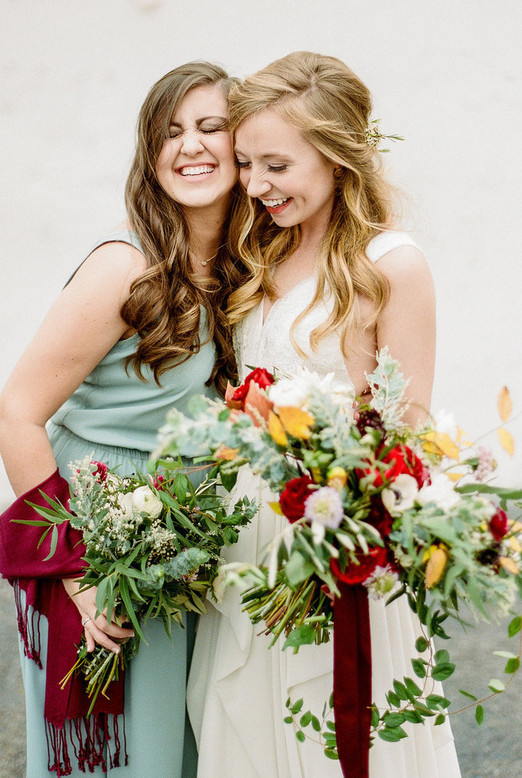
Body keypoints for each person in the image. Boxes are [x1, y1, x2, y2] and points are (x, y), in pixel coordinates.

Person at [187, 52, 462, 777]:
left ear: (338, 157)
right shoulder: (255, 253)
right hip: (247, 540)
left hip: (335, 547)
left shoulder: (390, 264)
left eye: (276, 165)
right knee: (240, 723)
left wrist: (345, 505)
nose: (255, 185)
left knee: (337, 735)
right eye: (246, 164)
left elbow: (410, 427)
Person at [0, 61, 244, 777]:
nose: (190, 146)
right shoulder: (125, 264)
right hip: (103, 529)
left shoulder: (231, 265)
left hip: (182, 533)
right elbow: (15, 413)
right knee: (124, 755)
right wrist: (74, 572)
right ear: (150, 154)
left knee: (173, 744)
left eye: (209, 127)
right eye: (170, 132)